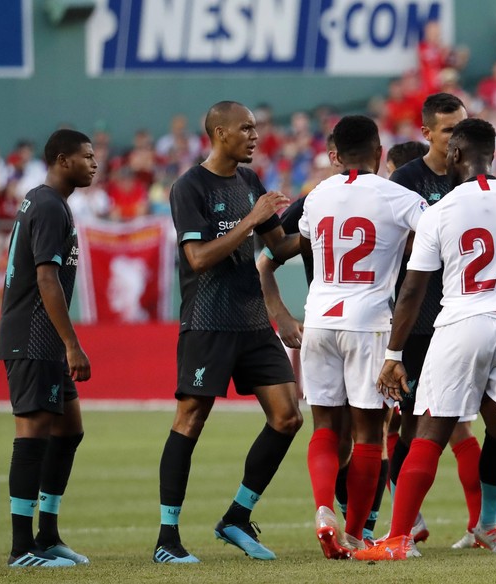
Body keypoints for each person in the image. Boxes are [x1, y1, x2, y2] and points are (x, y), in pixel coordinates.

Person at [356, 118, 496, 561]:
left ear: (456, 156)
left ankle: (399, 539)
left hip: (462, 324)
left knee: (429, 432)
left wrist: (394, 354)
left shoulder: (439, 211)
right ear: (494, 154)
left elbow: (412, 291)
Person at [154, 101, 303, 563]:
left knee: (288, 417)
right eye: (246, 129)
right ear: (219, 133)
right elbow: (197, 258)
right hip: (208, 321)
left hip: (253, 321)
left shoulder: (249, 181)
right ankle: (167, 539)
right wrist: (250, 221)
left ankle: (237, 516)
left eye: (256, 128)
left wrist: (323, 222)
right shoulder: (189, 186)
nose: (255, 136)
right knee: (191, 419)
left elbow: (280, 245)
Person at [388, 93, 496, 554]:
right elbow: (394, 249)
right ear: (427, 134)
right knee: (417, 427)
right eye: (447, 129)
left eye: (461, 127)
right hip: (423, 323)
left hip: (473, 319)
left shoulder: (485, 183)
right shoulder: (404, 181)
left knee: (495, 422)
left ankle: (486, 523)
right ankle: (403, 523)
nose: (456, 136)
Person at [298, 115, 428, 559]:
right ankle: (353, 533)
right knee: (369, 431)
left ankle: (322, 510)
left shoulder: (317, 195)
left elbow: (303, 239)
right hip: (367, 320)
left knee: (324, 427)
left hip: (318, 316)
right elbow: (435, 238)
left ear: (336, 152)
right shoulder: (398, 196)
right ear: (378, 152)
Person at [0, 129, 97, 568]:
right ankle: (22, 549)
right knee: (33, 432)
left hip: (44, 338)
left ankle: (48, 534)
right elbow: (45, 278)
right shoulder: (49, 205)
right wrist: (72, 344)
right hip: (34, 336)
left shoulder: (48, 202)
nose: (94, 164)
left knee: (69, 430)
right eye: (87, 157)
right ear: (62, 160)